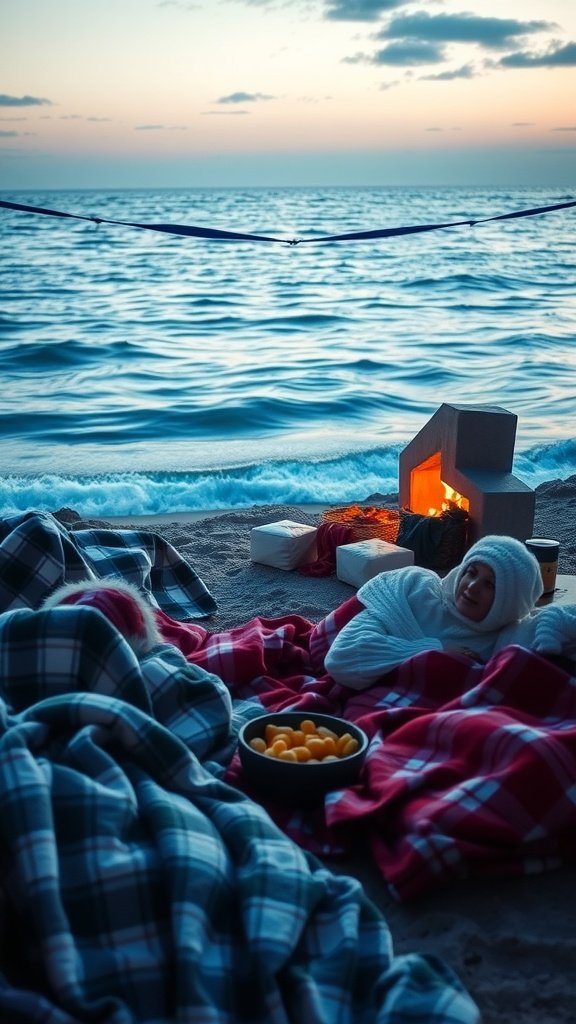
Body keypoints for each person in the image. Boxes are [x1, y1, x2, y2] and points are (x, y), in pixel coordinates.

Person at [324, 534, 550, 690]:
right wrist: (434, 649)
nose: (472, 587)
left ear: (509, 602)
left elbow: (559, 622)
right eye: (471, 573)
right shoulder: (414, 591)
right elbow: (343, 658)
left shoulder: (503, 639)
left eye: (490, 584)